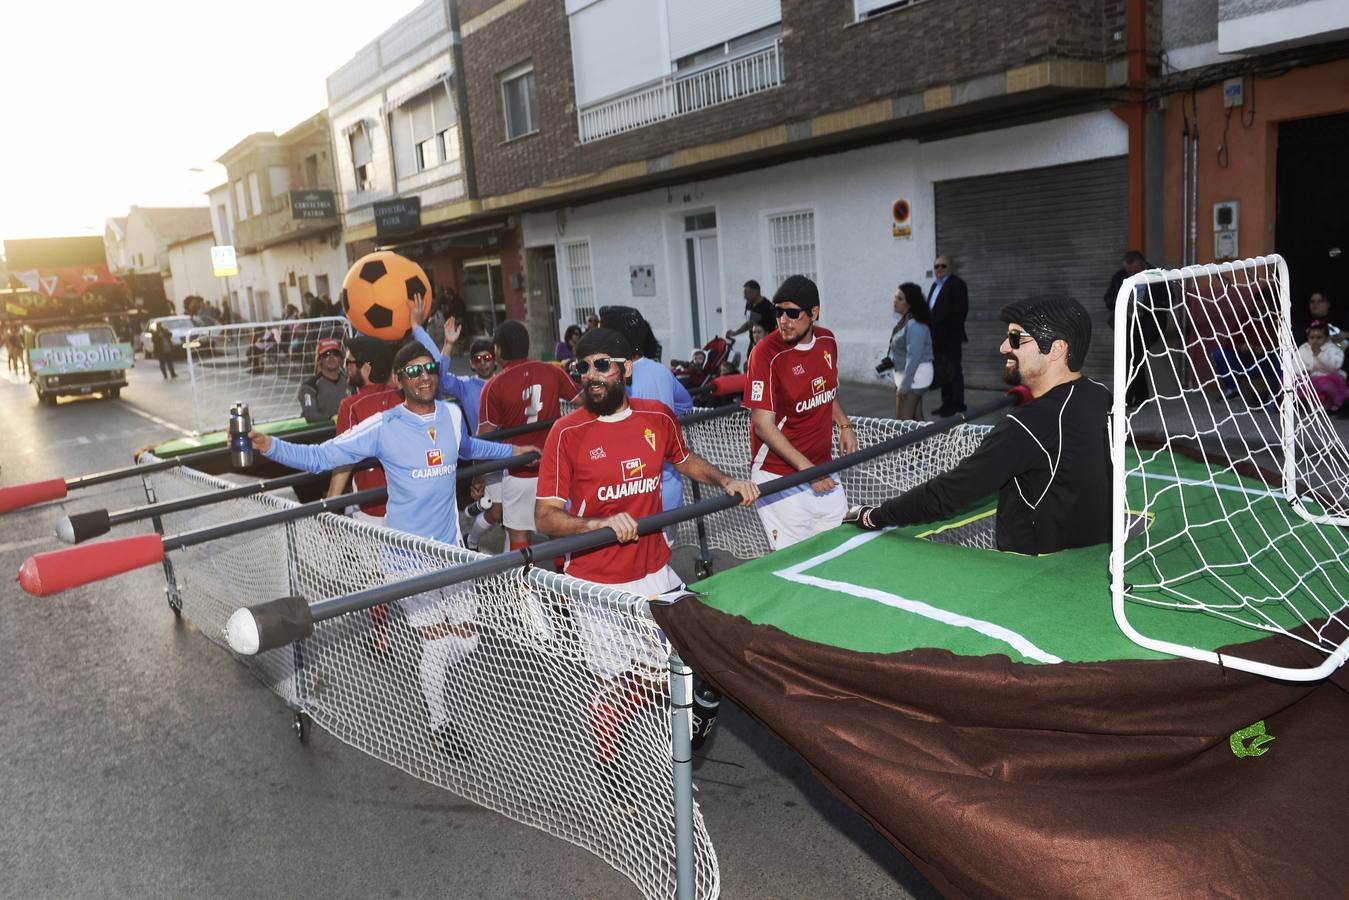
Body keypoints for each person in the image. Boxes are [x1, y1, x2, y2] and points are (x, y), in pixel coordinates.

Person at [249, 342, 537, 757]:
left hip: (450, 552)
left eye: (430, 369)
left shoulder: (452, 414)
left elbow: (470, 448)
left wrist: (514, 451)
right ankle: (440, 722)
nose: (424, 377)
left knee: (468, 642)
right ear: (399, 379)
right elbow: (321, 457)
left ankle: (431, 679)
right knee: (438, 644)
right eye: (414, 371)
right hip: (404, 557)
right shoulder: (383, 424)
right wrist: (269, 446)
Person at [534, 327, 758, 757]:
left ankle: (690, 718)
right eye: (583, 367)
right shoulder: (566, 432)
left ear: (627, 369)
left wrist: (726, 480)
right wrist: (597, 524)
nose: (592, 375)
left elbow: (684, 459)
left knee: (698, 655)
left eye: (602, 365)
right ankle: (612, 768)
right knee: (620, 689)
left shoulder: (656, 416)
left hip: (656, 570)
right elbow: (544, 516)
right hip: (598, 585)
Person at [845, 297, 1112, 556]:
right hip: (1093, 557)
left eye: (1016, 338)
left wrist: (874, 516)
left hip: (1034, 569)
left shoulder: (1028, 424)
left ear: (1057, 349)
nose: (1003, 347)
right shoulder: (1101, 396)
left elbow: (950, 493)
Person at [744, 274, 857, 550]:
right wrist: (807, 472)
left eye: (792, 313)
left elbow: (825, 391)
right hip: (779, 475)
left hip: (821, 468)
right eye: (778, 312)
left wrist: (844, 424)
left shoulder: (828, 340)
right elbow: (763, 425)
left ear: (814, 313)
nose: (783, 320)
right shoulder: (765, 353)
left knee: (842, 550)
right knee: (799, 563)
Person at [477, 319, 580, 553]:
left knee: (519, 535)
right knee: (557, 532)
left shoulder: (494, 385)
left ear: (498, 349)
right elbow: (584, 402)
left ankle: (518, 589)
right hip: (552, 469)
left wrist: (478, 474)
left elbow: (484, 437)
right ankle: (562, 587)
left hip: (518, 471)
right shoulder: (552, 371)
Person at [600, 305, 694, 514]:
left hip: (637, 494)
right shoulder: (661, 371)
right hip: (669, 489)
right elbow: (685, 403)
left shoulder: (616, 379)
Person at [325, 336, 400, 525]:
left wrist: (330, 504)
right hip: (408, 504)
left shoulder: (350, 406)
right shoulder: (401, 397)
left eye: (349, 362)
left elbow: (343, 460)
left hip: (371, 510)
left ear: (366, 367)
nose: (345, 367)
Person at [1105, 250, 1164, 410]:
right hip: (1127, 322)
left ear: (1143, 264)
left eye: (1136, 271)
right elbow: (1108, 299)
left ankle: (1127, 399)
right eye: (1129, 272)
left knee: (1134, 358)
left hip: (1147, 324)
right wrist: (1121, 299)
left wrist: (1146, 305)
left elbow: (1167, 300)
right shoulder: (1119, 277)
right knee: (1133, 359)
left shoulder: (1157, 276)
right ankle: (1141, 398)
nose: (1132, 275)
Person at [928, 255, 969, 417]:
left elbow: (960, 312)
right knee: (943, 371)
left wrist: (946, 331)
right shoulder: (934, 285)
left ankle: (957, 404)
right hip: (936, 338)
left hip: (950, 337)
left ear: (950, 267)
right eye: (936, 266)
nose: (939, 269)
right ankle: (946, 403)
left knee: (954, 370)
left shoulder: (957, 284)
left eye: (942, 266)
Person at [887, 282, 934, 421]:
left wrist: (904, 386)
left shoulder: (915, 325)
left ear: (910, 302)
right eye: (895, 297)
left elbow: (915, 357)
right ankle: (926, 443)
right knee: (916, 417)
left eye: (900, 298)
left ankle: (916, 443)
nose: (895, 301)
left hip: (915, 375)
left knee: (903, 420)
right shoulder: (905, 321)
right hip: (909, 374)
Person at [1299, 321, 1347, 414]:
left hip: (1329, 378)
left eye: (1319, 337)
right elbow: (1295, 362)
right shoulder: (1304, 348)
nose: (1315, 340)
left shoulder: (1333, 349)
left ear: (1327, 338)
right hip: (1309, 378)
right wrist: (1303, 371)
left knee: (1325, 384)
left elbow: (1335, 366)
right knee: (1291, 382)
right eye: (1312, 337)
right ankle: (1303, 404)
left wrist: (1319, 354)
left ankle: (1331, 405)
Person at [298, 338, 349, 423]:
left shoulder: (350, 381)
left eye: (335, 353)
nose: (331, 357)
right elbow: (310, 414)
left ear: (341, 358)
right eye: (326, 354)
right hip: (323, 433)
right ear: (319, 359)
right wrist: (332, 419)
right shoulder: (309, 387)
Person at [725, 280, 774, 348]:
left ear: (755, 292)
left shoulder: (767, 307)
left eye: (746, 293)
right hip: (753, 343)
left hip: (765, 345)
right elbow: (749, 323)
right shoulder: (749, 304)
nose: (744, 297)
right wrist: (735, 333)